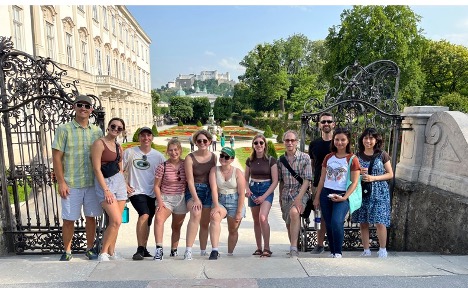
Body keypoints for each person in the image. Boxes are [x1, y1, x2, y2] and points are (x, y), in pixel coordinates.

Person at [52, 94, 103, 261]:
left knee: (91, 217)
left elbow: (103, 155)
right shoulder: (64, 129)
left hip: (91, 183)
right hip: (71, 183)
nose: (83, 108)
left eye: (87, 106)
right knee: (68, 219)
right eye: (80, 105)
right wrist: (61, 182)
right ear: (74, 107)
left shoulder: (97, 131)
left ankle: (89, 248)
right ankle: (67, 251)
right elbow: (57, 157)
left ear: (91, 110)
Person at [313, 127, 360, 258]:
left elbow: (354, 182)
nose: (339, 142)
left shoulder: (352, 159)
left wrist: (345, 197)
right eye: (337, 139)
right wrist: (317, 198)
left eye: (343, 140)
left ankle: (338, 252)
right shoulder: (328, 157)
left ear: (348, 141)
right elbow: (322, 179)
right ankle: (332, 251)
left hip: (342, 194)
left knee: (336, 221)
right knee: (328, 223)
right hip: (326, 192)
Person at [123, 127, 165, 260]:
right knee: (144, 214)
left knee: (148, 220)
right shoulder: (130, 152)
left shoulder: (158, 156)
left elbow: (165, 174)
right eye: (143, 136)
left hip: (152, 192)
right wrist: (125, 185)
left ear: (152, 138)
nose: (146, 138)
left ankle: (144, 248)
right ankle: (139, 249)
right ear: (138, 137)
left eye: (148, 135)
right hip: (136, 191)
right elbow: (119, 169)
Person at [352, 128, 393, 258]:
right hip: (363, 191)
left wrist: (373, 178)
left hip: (380, 192)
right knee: (363, 221)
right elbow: (351, 175)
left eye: (371, 138)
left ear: (376, 140)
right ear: (362, 139)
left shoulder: (382, 155)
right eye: (365, 138)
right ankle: (366, 250)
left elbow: (390, 174)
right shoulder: (357, 156)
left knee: (380, 221)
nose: (368, 141)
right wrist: (360, 173)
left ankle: (382, 249)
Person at [91, 117, 127, 261]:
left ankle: (112, 251)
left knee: (116, 222)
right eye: (113, 126)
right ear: (108, 126)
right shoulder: (99, 144)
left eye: (119, 128)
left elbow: (120, 168)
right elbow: (96, 168)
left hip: (118, 182)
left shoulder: (119, 146)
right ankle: (103, 253)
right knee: (116, 220)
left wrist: (124, 184)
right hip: (105, 183)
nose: (116, 129)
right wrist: (105, 189)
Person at [277, 130, 312, 258]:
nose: (290, 143)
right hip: (286, 194)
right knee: (288, 222)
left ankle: (293, 248)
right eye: (287, 140)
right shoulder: (280, 160)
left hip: (301, 192)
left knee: (294, 213)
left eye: (292, 140)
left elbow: (307, 180)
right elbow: (281, 181)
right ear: (284, 142)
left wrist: (299, 198)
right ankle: (294, 245)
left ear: (297, 142)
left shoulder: (305, 157)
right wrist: (280, 197)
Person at [184, 129, 217, 260]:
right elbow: (190, 180)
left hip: (208, 190)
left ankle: (203, 250)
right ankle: (188, 250)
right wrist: (196, 199)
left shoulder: (213, 157)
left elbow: (214, 176)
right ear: (195, 142)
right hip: (194, 190)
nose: (202, 142)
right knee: (195, 214)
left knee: (205, 222)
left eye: (205, 140)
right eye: (199, 141)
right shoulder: (190, 158)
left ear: (209, 142)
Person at [208, 147, 246, 260]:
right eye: (222, 155)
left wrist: (239, 212)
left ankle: (230, 253)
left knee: (233, 229)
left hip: (235, 200)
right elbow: (214, 189)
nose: (223, 158)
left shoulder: (237, 172)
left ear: (232, 159)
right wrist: (215, 205)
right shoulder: (214, 170)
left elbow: (241, 193)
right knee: (215, 217)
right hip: (220, 200)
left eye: (227, 157)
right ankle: (214, 250)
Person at [153, 138, 188, 260]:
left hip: (181, 198)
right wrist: (160, 202)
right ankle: (159, 249)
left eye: (176, 150)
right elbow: (156, 186)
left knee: (176, 226)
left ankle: (174, 249)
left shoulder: (185, 165)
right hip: (165, 198)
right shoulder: (162, 166)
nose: (174, 152)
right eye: (171, 150)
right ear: (167, 151)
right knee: (158, 219)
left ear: (180, 150)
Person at [244, 134, 278, 257]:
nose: (258, 145)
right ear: (253, 145)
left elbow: (275, 181)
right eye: (256, 143)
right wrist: (247, 189)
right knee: (256, 220)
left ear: (265, 145)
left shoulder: (271, 160)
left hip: (266, 189)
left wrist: (264, 196)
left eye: (261, 143)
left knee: (263, 217)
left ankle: (267, 247)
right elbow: (245, 178)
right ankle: (259, 247)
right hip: (253, 190)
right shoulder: (249, 160)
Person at [308, 112, 335, 254]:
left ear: (333, 124)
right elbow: (312, 165)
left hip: (336, 185)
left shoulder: (338, 143)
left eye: (329, 121)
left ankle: (334, 243)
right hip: (318, 184)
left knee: (335, 216)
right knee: (320, 216)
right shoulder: (314, 144)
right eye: (323, 122)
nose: (326, 124)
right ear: (319, 125)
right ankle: (320, 244)